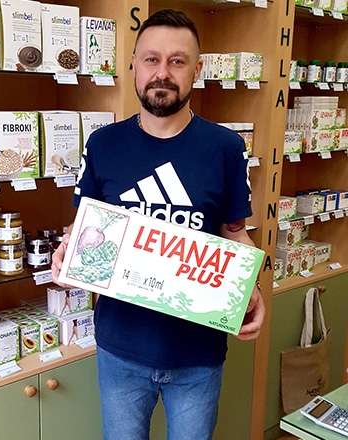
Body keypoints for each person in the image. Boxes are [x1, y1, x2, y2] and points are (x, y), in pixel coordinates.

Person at [51, 9, 265, 440]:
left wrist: (252, 286)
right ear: (133, 63)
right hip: (121, 348)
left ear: (197, 70)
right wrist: (66, 252)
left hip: (199, 352)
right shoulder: (104, 144)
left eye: (177, 61)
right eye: (151, 59)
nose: (162, 73)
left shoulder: (225, 148)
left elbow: (234, 232)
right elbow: (83, 228)